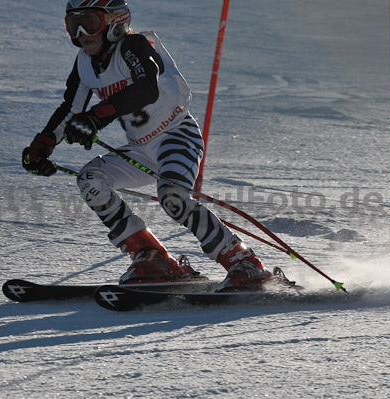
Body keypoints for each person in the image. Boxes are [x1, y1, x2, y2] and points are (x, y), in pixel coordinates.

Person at [22, 0, 273, 291]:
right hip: (140, 147)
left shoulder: (133, 46)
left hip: (176, 135)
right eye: (72, 24)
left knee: (172, 198)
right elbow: (70, 107)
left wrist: (95, 118)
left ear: (114, 21)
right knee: (91, 178)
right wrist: (44, 143)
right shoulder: (85, 63)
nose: (80, 33)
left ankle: (243, 261)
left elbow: (146, 87)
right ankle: (152, 257)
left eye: (89, 23)